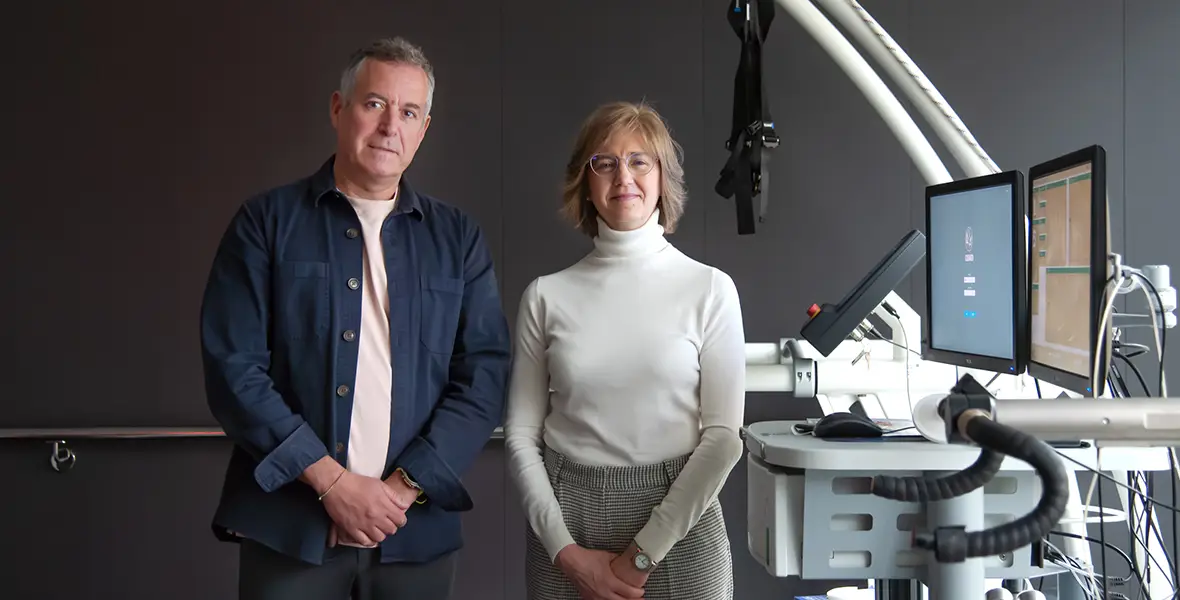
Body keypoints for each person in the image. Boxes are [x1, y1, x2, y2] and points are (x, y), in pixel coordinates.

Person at [199, 37, 511, 600]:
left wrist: (400, 490)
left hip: (414, 533)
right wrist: (331, 483)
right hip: (288, 529)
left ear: (424, 128)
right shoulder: (264, 224)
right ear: (339, 109)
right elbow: (233, 367)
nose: (391, 125)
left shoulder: (457, 238)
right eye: (375, 104)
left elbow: (483, 376)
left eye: (409, 111)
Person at [504, 101, 748, 600]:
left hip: (682, 524)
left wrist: (641, 558)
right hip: (565, 528)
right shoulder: (546, 296)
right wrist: (564, 552)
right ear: (585, 182)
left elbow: (724, 437)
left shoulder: (710, 289)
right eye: (605, 162)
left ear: (662, 177)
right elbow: (521, 434)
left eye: (640, 161)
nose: (624, 177)